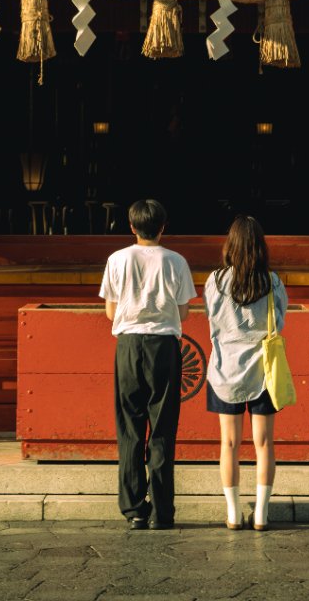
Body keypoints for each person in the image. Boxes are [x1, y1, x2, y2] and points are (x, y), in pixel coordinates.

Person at [99, 196, 197, 530]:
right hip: (164, 344)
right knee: (163, 426)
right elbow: (184, 311)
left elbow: (111, 311)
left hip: (128, 344)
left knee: (129, 426)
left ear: (131, 226)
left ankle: (133, 508)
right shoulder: (176, 261)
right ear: (163, 227)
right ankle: (163, 510)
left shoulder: (117, 259)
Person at [204, 214, 288, 531]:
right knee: (264, 444)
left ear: (231, 245)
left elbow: (211, 319)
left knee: (229, 444)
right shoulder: (273, 281)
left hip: (225, 367)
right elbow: (279, 322)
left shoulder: (215, 281)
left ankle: (233, 513)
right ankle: (263, 514)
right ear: (260, 246)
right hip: (263, 370)